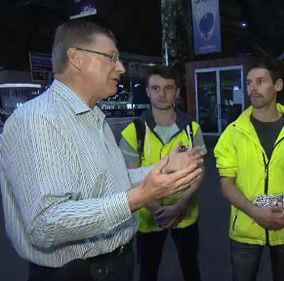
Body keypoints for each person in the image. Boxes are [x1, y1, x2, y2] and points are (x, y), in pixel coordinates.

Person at [0, 20, 202, 281]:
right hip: (77, 273)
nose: (121, 67)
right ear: (76, 58)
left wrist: (160, 169)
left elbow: (110, 184)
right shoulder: (38, 120)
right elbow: (45, 224)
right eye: (111, 57)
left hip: (116, 263)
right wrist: (140, 197)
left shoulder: (93, 117)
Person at [214, 58, 284, 281]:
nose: (253, 88)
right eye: (249, 82)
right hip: (246, 230)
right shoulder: (233, 133)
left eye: (260, 81)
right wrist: (255, 212)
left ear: (278, 85)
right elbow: (226, 183)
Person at [119, 66, 206, 281]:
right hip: (149, 217)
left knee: (191, 269)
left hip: (185, 214)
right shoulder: (135, 131)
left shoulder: (191, 129)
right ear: (147, 92)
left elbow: (200, 171)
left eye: (168, 88)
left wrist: (180, 205)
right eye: (155, 88)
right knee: (148, 271)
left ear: (177, 92)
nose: (162, 93)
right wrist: (159, 210)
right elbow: (128, 180)